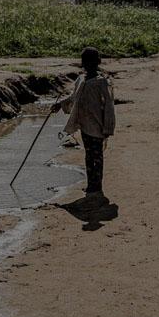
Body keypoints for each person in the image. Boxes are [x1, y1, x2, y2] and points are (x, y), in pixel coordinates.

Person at [53, 47, 116, 204]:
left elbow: (109, 106)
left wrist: (108, 128)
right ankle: (91, 185)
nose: (88, 65)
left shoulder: (102, 83)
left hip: (98, 126)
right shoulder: (81, 79)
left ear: (96, 63)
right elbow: (74, 97)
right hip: (85, 124)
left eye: (90, 62)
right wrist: (60, 105)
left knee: (97, 157)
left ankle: (97, 186)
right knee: (89, 155)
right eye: (86, 62)